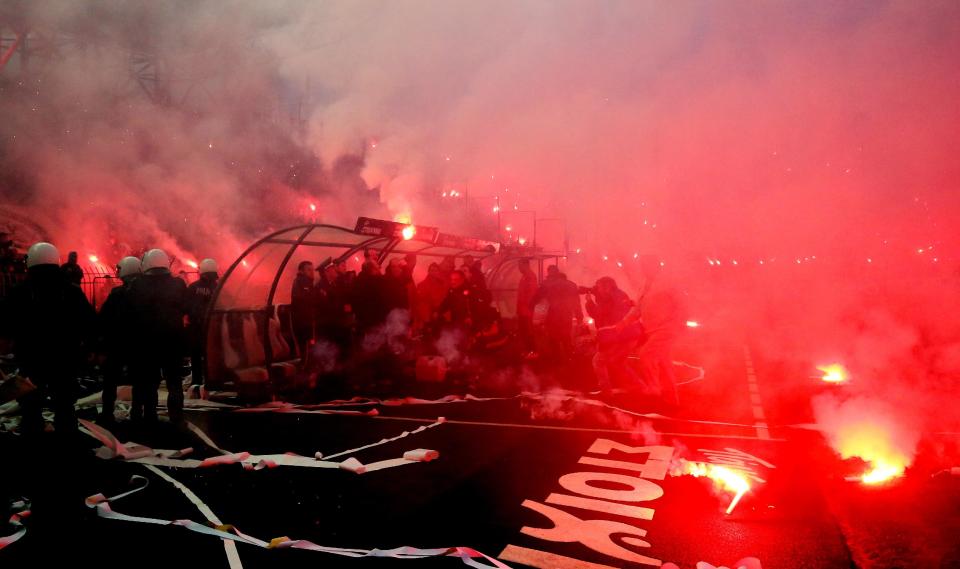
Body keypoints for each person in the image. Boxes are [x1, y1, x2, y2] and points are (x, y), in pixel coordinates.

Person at [0, 242, 95, 437]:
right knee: (64, 402)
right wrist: (88, 349)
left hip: (30, 356)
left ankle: (33, 433)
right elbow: (89, 322)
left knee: (30, 401)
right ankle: (67, 438)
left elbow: (6, 323)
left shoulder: (19, 291)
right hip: (65, 355)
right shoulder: (71, 291)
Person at [611, 255, 687, 408]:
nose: (643, 269)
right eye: (643, 266)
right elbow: (638, 309)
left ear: (656, 265)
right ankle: (673, 401)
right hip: (653, 330)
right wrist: (622, 324)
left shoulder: (668, 282)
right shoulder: (646, 285)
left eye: (646, 266)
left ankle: (654, 389)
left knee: (646, 354)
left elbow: (682, 304)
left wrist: (676, 322)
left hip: (666, 328)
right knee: (665, 365)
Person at [128, 249, 189, 425]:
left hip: (147, 343)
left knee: (148, 382)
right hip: (173, 342)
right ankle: (177, 418)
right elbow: (186, 308)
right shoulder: (178, 284)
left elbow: (130, 312)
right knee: (174, 383)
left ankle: (149, 417)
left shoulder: (136, 285)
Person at [97, 256, 141, 423]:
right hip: (137, 343)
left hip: (116, 343)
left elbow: (103, 318)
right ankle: (138, 413)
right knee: (138, 381)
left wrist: (100, 344)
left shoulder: (117, 294)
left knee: (110, 381)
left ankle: (107, 414)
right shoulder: (144, 294)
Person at [531, 265, 583, 363]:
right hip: (567, 314)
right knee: (566, 336)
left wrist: (531, 306)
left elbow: (537, 296)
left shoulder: (548, 284)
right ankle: (569, 358)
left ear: (553, 273)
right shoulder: (571, 285)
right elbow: (576, 302)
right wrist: (579, 316)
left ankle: (557, 359)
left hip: (553, 314)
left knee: (553, 337)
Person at [186, 258, 218, 388]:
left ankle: (197, 382)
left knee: (196, 356)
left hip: (196, 328)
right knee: (213, 355)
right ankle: (214, 381)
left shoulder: (193, 287)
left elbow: (186, 306)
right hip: (214, 328)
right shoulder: (220, 288)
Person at [351, 260, 388, 335]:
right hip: (374, 319)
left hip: (361, 319)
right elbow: (381, 300)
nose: (379, 269)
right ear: (372, 269)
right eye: (377, 268)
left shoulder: (357, 280)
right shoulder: (376, 281)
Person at [291, 260, 316, 361]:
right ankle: (306, 369)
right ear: (301, 271)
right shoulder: (302, 281)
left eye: (312, 270)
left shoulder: (304, 281)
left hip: (304, 321)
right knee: (307, 346)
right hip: (303, 322)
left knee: (308, 346)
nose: (312, 272)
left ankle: (307, 366)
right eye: (308, 270)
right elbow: (305, 300)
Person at [415, 263, 449, 333]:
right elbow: (422, 302)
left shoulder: (442, 284)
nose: (434, 272)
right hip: (429, 316)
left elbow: (445, 298)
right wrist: (431, 314)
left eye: (436, 270)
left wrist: (441, 311)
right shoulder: (422, 285)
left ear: (438, 272)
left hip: (441, 314)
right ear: (429, 271)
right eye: (432, 270)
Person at [516, 259, 538, 353]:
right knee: (524, 330)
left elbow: (531, 293)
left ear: (525, 265)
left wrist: (528, 307)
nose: (519, 268)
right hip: (523, 309)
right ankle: (528, 350)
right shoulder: (525, 276)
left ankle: (532, 351)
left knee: (528, 330)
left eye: (520, 266)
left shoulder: (530, 276)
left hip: (526, 310)